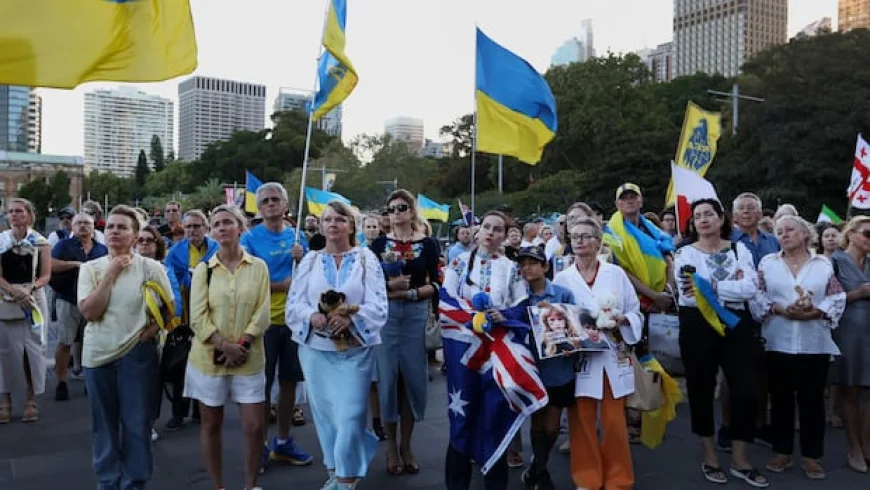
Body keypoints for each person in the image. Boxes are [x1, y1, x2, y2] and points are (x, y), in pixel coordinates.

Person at [286, 201, 389, 490]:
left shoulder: (367, 259)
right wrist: (312, 315)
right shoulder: (310, 261)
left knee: (351, 412)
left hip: (355, 351)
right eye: (327, 220)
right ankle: (336, 470)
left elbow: (379, 304)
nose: (333, 224)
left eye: (339, 220)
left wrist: (351, 320)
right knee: (327, 416)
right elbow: (295, 303)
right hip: (316, 353)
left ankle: (345, 480)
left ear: (351, 225)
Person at [674, 198, 769, 488]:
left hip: (736, 325)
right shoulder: (683, 253)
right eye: (697, 216)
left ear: (720, 219)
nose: (703, 220)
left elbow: (751, 288)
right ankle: (709, 453)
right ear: (692, 224)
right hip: (697, 325)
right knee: (700, 390)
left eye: (708, 214)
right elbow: (688, 293)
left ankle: (741, 458)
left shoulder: (739, 249)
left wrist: (713, 285)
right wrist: (731, 286)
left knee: (746, 391)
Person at [78, 205, 173, 489]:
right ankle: (107, 481)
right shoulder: (90, 269)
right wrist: (111, 273)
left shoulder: (151, 268)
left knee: (137, 424)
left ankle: (135, 481)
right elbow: (90, 312)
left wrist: (151, 332)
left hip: (137, 355)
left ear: (135, 236)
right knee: (103, 425)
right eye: (110, 227)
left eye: (123, 227)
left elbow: (171, 311)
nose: (115, 232)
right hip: (98, 356)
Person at [751, 215, 845, 479]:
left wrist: (815, 312)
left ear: (805, 234)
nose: (784, 234)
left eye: (790, 230)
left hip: (814, 343)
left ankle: (812, 456)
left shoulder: (823, 263)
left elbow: (837, 296)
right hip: (777, 341)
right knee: (780, 400)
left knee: (812, 402)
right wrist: (780, 308)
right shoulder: (767, 263)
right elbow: (757, 296)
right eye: (779, 231)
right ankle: (782, 452)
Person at [553, 218, 643, 490]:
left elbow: (634, 311)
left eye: (586, 236)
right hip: (581, 359)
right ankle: (587, 479)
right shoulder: (562, 278)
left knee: (615, 421)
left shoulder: (615, 274)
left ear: (598, 241)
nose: (579, 241)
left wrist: (622, 321)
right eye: (575, 236)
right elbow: (555, 318)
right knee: (582, 420)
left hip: (613, 355)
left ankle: (619, 480)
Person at [187, 205, 271, 490]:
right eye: (217, 224)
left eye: (228, 222)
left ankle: (250, 485)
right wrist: (224, 345)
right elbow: (197, 317)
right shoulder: (203, 271)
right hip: (210, 359)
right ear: (212, 231)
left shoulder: (258, 267)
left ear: (240, 226)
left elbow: (263, 311)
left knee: (255, 427)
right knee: (211, 424)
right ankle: (218, 485)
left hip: (249, 356)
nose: (222, 227)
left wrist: (242, 343)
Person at [441, 210, 527, 490]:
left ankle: (495, 483)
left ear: (504, 235)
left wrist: (503, 316)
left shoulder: (510, 267)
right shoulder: (458, 263)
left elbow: (522, 305)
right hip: (464, 351)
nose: (491, 232)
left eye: (498, 229)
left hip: (497, 354)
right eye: (487, 227)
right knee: (462, 414)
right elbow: (446, 301)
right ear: (477, 230)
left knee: (493, 415)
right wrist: (473, 319)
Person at [240, 182, 311, 471]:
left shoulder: (299, 236)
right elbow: (245, 281)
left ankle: (283, 442)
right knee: (261, 386)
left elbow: (310, 277)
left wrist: (302, 258)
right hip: (263, 323)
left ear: (285, 205)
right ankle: (257, 447)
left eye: (275, 199)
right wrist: (282, 285)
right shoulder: (250, 239)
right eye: (265, 200)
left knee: (289, 384)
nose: (270, 204)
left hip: (294, 322)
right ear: (259, 207)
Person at [370, 190, 441, 476]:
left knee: (412, 381)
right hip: (386, 318)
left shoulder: (429, 244)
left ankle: (407, 445)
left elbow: (436, 284)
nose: (396, 212)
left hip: (414, 315)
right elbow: (369, 284)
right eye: (391, 209)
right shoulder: (377, 244)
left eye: (402, 207)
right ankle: (390, 448)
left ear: (412, 211)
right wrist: (391, 290)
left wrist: (410, 293)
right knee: (387, 382)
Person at [510, 245, 575, 490]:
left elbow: (574, 326)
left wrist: (572, 342)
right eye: (523, 264)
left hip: (559, 367)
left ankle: (538, 463)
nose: (527, 268)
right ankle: (541, 472)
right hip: (531, 368)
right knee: (537, 422)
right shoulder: (518, 296)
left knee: (552, 427)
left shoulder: (563, 294)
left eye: (533, 263)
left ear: (545, 266)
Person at [726, 192, 781, 450]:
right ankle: (728, 427)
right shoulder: (727, 242)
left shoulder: (774, 241)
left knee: (764, 374)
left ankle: (760, 424)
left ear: (761, 214)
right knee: (729, 376)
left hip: (771, 313)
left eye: (752, 208)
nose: (747, 212)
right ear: (734, 216)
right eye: (742, 209)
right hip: (738, 312)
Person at [164, 210, 219, 430]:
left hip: (212, 313)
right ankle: (179, 412)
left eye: (197, 226)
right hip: (185, 317)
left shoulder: (217, 249)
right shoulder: (175, 252)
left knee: (207, 364)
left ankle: (200, 410)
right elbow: (169, 280)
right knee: (182, 365)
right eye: (188, 227)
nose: (192, 231)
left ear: (206, 228)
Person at [0, 198, 51, 423]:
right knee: (5, 353)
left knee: (33, 351)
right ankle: (6, 401)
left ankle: (31, 399)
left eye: (19, 211)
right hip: (5, 298)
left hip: (33, 299)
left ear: (29, 214)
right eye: (10, 211)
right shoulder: (1, 241)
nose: (14, 215)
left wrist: (29, 289)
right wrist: (13, 291)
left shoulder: (40, 242)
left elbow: (45, 274)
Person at [50, 212, 108, 401]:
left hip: (93, 301)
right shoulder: (63, 245)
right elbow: (50, 265)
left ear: (94, 227)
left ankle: (89, 381)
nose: (83, 226)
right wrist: (76, 265)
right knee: (65, 341)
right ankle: (61, 382)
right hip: (68, 298)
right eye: (79, 223)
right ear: (72, 227)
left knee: (92, 343)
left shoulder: (101, 249)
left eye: (87, 223)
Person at [829, 216, 870, 473]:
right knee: (850, 390)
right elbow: (826, 299)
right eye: (867, 233)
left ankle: (867, 444)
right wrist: (858, 294)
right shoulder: (834, 261)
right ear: (851, 233)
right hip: (847, 333)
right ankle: (853, 447)